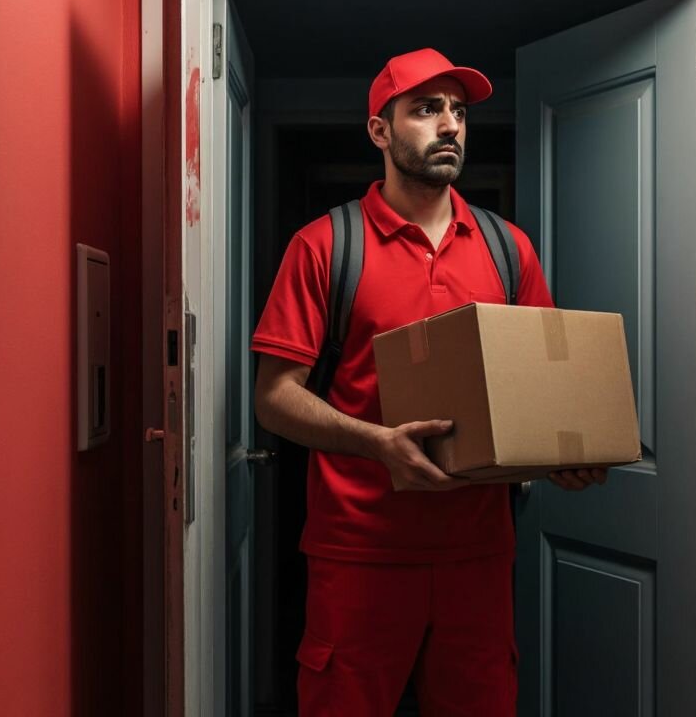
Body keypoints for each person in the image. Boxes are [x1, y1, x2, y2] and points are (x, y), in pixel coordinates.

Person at [251, 47, 606, 717]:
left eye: (459, 112)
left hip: (478, 556)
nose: (450, 126)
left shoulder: (508, 248)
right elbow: (273, 399)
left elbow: (542, 392)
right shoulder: (326, 246)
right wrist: (379, 443)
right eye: (426, 109)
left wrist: (566, 455)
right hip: (359, 554)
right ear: (380, 131)